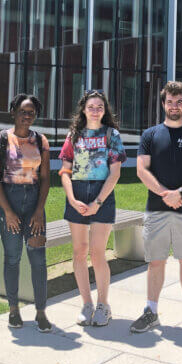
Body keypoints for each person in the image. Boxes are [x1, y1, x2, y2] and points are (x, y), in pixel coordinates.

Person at [130, 81, 182, 334]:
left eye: (179, 102)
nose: (174, 106)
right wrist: (166, 194)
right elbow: (142, 170)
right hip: (157, 209)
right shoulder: (150, 135)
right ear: (163, 104)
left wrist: (180, 193)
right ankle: (151, 311)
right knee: (156, 262)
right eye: (169, 102)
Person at [59, 90, 126, 327]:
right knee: (79, 251)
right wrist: (71, 198)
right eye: (91, 106)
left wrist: (97, 202)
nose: (95, 110)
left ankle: (103, 305)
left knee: (98, 253)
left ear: (105, 110)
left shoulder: (112, 135)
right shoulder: (73, 135)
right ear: (83, 110)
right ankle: (86, 304)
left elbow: (115, 172)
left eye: (100, 106)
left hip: (102, 196)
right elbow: (65, 171)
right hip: (77, 194)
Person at [0, 94, 52, 332]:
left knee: (38, 259)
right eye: (23, 111)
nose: (27, 116)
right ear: (13, 111)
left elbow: (45, 179)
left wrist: (39, 211)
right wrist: (8, 211)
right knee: (12, 258)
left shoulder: (41, 141)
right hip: (8, 201)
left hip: (34, 201)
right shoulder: (0, 140)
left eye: (31, 112)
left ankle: (41, 312)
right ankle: (13, 310)